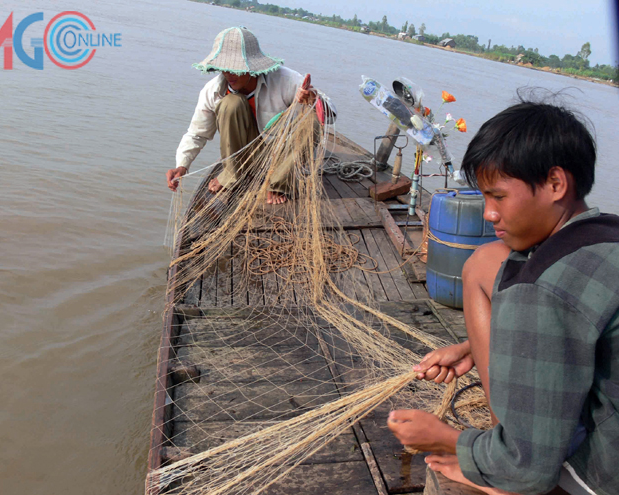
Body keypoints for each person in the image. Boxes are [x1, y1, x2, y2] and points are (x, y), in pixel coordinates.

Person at [387, 100, 619, 495]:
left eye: (498, 197)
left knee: (521, 470)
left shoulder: (541, 290)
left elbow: (528, 469)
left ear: (556, 184)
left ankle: (505, 454)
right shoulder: (605, 233)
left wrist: (447, 439)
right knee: (487, 260)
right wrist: (480, 347)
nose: (488, 214)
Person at [166, 26, 332, 204]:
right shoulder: (213, 90)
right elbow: (197, 133)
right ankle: (232, 174)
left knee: (312, 119)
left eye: (234, 68)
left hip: (280, 157)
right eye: (224, 68)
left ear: (251, 66)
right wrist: (182, 165)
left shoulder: (285, 80)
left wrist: (312, 99)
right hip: (246, 157)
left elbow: (331, 113)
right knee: (231, 104)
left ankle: (277, 185)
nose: (228, 74)